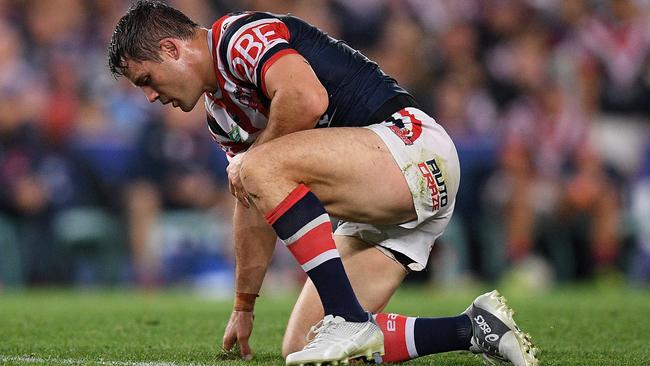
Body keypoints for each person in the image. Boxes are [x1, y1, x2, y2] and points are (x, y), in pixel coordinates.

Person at [108, 2, 538, 365]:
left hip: (410, 148)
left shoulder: (237, 37)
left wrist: (254, 160)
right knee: (306, 346)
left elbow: (306, 98)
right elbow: (253, 198)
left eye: (146, 79)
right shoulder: (220, 114)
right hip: (376, 195)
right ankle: (475, 329)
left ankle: (347, 317)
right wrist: (244, 304)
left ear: (171, 48)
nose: (149, 96)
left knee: (257, 166)